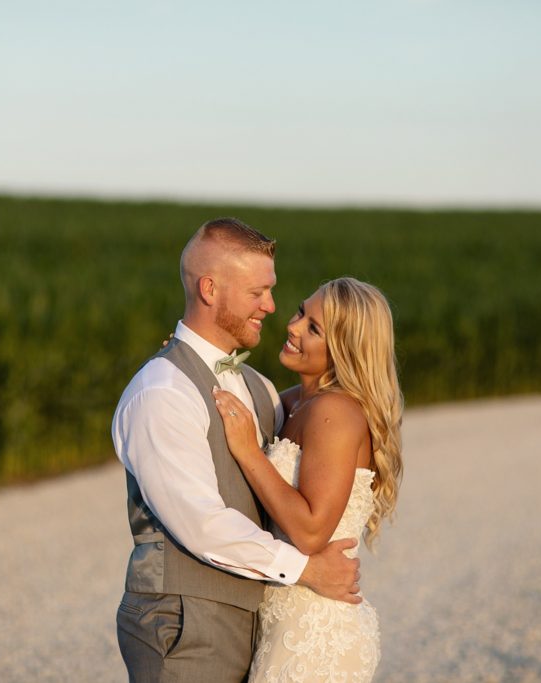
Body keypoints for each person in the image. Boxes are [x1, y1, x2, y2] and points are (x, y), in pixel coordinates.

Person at [112, 218, 362, 683]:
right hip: (183, 623)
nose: (271, 306)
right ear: (210, 289)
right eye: (257, 293)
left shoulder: (261, 389)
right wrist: (307, 569)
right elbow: (201, 523)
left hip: (256, 625)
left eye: (271, 291)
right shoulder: (162, 391)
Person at [211, 276, 404, 682]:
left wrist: (249, 452)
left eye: (313, 328)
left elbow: (312, 533)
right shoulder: (296, 401)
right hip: (284, 617)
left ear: (343, 352)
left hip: (317, 632)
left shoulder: (334, 413)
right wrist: (187, 363)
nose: (292, 326)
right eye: (301, 312)